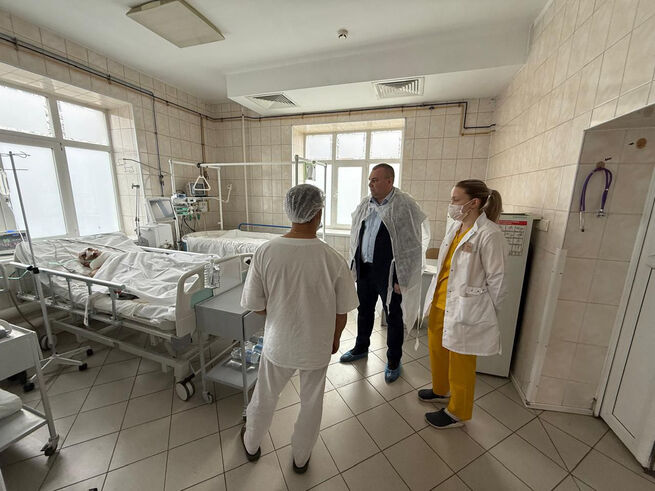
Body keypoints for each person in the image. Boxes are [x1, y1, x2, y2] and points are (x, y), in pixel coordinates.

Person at [240, 184, 359, 473]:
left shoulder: (266, 252)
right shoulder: (332, 258)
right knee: (311, 403)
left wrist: (279, 313)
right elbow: (341, 311)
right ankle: (301, 458)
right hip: (316, 345)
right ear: (318, 214)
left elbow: (255, 304)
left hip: (278, 342)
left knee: (265, 395)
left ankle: (251, 444)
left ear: (289, 211)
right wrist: (334, 338)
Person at [420, 179, 507, 429]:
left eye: (456, 200)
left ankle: (458, 412)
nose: (451, 204)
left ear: (474, 203)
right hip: (440, 302)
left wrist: (485, 315)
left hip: (466, 309)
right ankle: (441, 390)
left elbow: (498, 280)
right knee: (437, 350)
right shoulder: (456, 227)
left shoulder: (490, 234)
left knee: (461, 362)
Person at [340, 163, 428, 383]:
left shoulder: (404, 205)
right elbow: (355, 237)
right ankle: (361, 347)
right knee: (364, 311)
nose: (370, 183)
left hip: (390, 274)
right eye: (370, 180)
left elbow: (412, 246)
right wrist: (354, 266)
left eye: (375, 179)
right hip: (365, 269)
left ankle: (393, 360)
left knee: (393, 317)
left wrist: (402, 278)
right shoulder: (365, 204)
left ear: (389, 181)